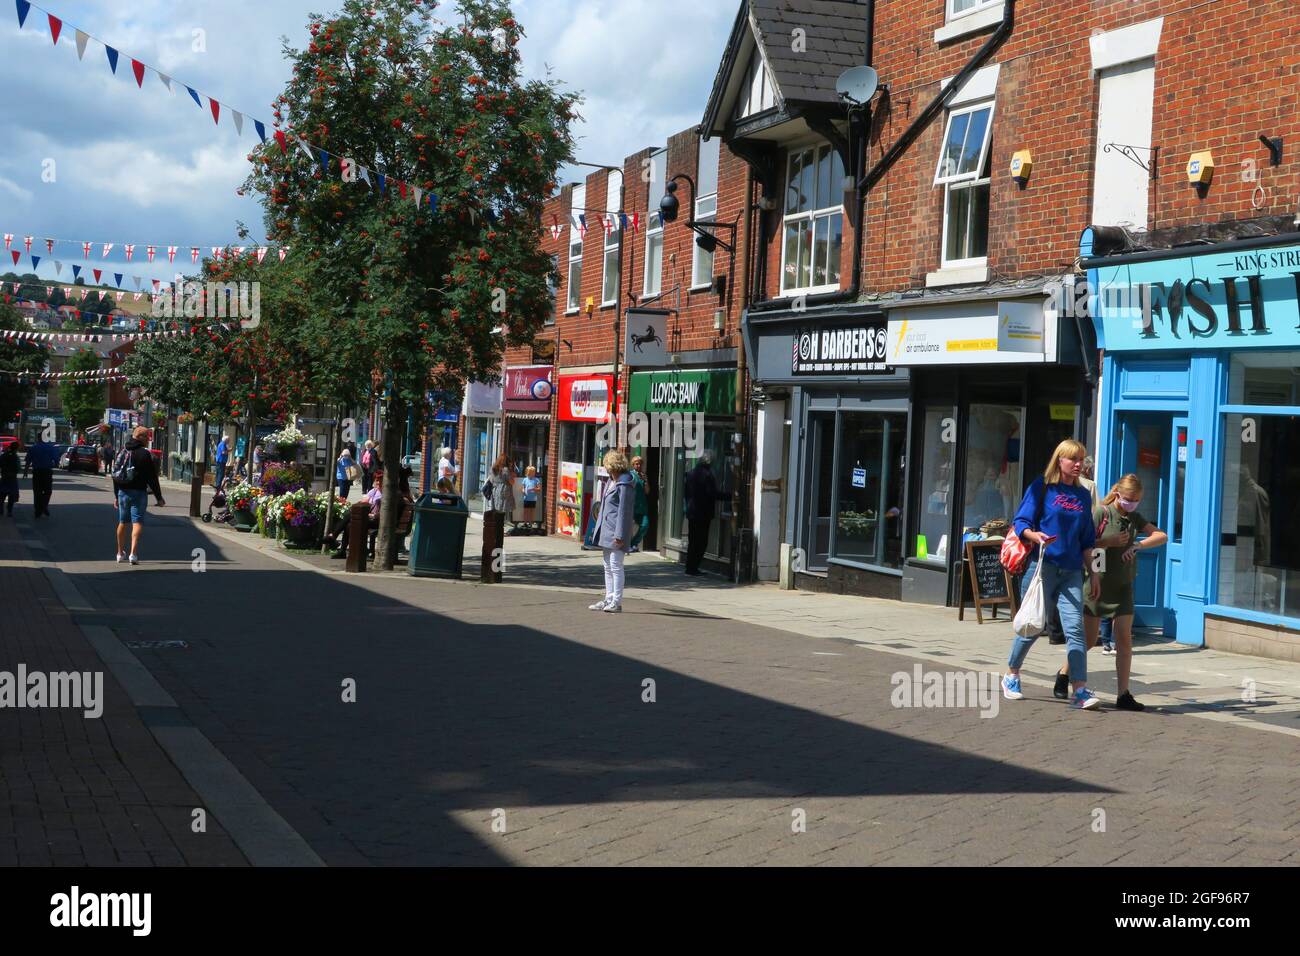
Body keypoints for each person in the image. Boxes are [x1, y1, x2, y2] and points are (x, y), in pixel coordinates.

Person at [1002, 438, 1102, 710]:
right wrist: (1036, 536)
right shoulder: (1042, 487)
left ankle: (1079, 689)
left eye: (1082, 459)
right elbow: (1021, 521)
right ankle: (1012, 674)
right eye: (1073, 459)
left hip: (1071, 571)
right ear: (1060, 461)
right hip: (1042, 567)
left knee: (1076, 631)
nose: (1079, 464)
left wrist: (1094, 573)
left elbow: (1087, 539)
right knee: (1032, 626)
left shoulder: (1083, 495)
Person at [1054, 474, 1168, 711]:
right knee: (1088, 640)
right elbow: (1085, 544)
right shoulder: (1102, 513)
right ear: (1118, 494)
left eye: (1136, 500)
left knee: (1125, 640)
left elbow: (1162, 536)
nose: (1132, 503)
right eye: (1128, 499)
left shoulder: (1134, 517)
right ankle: (1064, 674)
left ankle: (1123, 693)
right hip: (1098, 583)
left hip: (1124, 585)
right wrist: (1110, 542)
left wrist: (1138, 545)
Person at [590, 450, 636, 613]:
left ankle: (616, 602)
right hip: (606, 529)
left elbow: (625, 510)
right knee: (607, 566)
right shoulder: (611, 481)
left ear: (614, 467)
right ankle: (609, 598)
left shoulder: (625, 483)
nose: (607, 470)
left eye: (608, 468)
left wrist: (620, 535)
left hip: (616, 531)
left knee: (616, 566)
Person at [113, 426, 165, 565]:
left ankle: (119, 553)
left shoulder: (122, 451)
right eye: (147, 437)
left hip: (123, 492)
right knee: (137, 522)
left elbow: (115, 475)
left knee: (123, 522)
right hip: (139, 493)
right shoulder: (145, 454)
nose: (149, 440)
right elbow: (152, 478)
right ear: (140, 437)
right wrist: (158, 497)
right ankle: (133, 554)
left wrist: (116, 495)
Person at [683, 450, 718, 576]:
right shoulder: (708, 474)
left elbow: (686, 492)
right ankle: (694, 567)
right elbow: (711, 493)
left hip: (692, 511)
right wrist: (728, 496)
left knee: (693, 541)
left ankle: (689, 567)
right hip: (703, 513)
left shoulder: (691, 473)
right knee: (701, 541)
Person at [23, 434, 60, 519]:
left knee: (37, 491)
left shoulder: (33, 448)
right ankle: (43, 506)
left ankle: (38, 509)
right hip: (47, 471)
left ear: (38, 438)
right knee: (47, 491)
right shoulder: (51, 447)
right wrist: (55, 463)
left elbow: (28, 460)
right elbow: (56, 460)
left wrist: (25, 471)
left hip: (37, 472)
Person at [629, 455, 650, 553]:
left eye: (640, 464)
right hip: (633, 505)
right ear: (633, 465)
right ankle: (629, 545)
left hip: (642, 506)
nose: (638, 466)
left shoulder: (643, 476)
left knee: (645, 525)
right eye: (636, 464)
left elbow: (647, 492)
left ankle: (633, 543)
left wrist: (645, 481)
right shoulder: (630, 475)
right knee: (630, 527)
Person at [0, 440, 20, 516]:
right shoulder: (15, 456)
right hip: (12, 478)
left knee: (2, 494)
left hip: (4, 476)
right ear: (16, 448)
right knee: (11, 495)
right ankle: (9, 511)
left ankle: (1, 509)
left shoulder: (4, 455)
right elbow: (18, 468)